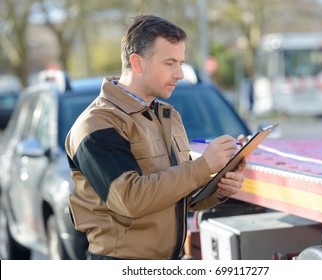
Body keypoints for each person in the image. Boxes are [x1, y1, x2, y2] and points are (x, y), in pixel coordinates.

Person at [65, 14, 246, 260]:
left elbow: (179, 196)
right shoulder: (96, 124)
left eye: (181, 62)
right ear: (137, 63)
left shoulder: (168, 116)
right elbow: (130, 199)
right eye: (170, 63)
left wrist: (220, 187)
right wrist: (202, 166)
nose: (180, 73)